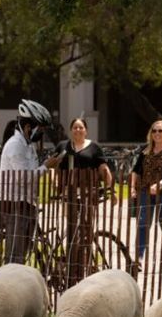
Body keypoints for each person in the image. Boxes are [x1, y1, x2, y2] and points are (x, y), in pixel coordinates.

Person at [49, 117, 116, 286]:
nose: (78, 130)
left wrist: (110, 189)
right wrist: (55, 185)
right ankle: (73, 265)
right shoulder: (63, 146)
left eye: (81, 127)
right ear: (71, 130)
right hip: (68, 195)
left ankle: (83, 267)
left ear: (86, 130)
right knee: (73, 231)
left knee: (86, 231)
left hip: (88, 193)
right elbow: (53, 166)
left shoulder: (93, 147)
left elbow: (103, 169)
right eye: (75, 127)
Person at [0, 99, 60, 264]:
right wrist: (46, 167)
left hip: (27, 203)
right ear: (28, 127)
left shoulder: (28, 146)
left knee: (22, 254)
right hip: (15, 204)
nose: (41, 133)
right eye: (40, 129)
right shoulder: (15, 146)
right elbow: (23, 178)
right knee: (15, 255)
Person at [130, 119, 162, 273]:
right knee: (143, 223)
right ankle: (138, 258)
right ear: (151, 134)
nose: (157, 134)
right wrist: (132, 188)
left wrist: (161, 184)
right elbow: (136, 171)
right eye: (154, 131)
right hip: (145, 192)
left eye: (160, 131)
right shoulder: (145, 152)